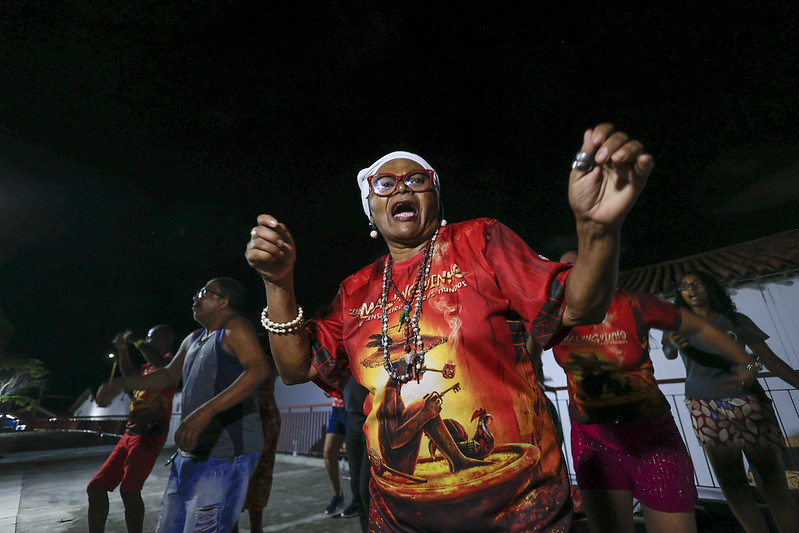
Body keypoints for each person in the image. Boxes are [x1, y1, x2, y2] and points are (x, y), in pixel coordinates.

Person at [246, 123, 654, 531]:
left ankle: (464, 458)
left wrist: (597, 230)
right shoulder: (354, 291)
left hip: (518, 511)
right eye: (385, 184)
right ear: (370, 209)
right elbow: (296, 368)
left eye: (416, 180)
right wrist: (277, 283)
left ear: (436, 197)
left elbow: (579, 306)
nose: (402, 189)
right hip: (399, 518)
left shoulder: (481, 240)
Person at [551, 252, 766, 533]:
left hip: (652, 436)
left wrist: (747, 361)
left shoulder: (632, 304)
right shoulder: (553, 316)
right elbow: (521, 352)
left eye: (581, 266)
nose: (573, 274)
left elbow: (698, 325)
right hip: (593, 440)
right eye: (565, 269)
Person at [97, 277, 269, 533]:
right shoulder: (194, 338)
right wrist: (121, 384)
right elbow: (167, 374)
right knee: (174, 525)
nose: (195, 297)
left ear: (223, 302)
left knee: (204, 526)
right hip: (194, 449)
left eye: (204, 292)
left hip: (228, 449)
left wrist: (205, 413)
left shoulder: (236, 328)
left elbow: (258, 370)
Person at [664, 270, 799, 533]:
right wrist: (671, 341)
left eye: (697, 284)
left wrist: (754, 367)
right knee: (733, 487)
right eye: (684, 286)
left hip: (749, 404)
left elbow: (767, 358)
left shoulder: (736, 320)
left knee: (773, 485)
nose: (690, 289)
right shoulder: (678, 325)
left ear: (710, 288)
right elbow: (668, 351)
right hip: (705, 408)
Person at [89, 325, 176, 533]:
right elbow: (129, 374)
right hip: (130, 433)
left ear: (164, 340)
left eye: (150, 337)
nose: (146, 339)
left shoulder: (170, 364)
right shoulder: (147, 367)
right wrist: (122, 350)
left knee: (129, 490)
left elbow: (159, 363)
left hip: (150, 435)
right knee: (96, 488)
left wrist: (136, 340)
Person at [233, 338, 281, 533]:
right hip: (244, 423)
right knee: (236, 478)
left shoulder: (265, 363)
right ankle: (235, 525)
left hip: (262, 423)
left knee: (257, 475)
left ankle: (255, 527)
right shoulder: (241, 362)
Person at [342, 377, 371, 531]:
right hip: (352, 416)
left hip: (373, 416)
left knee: (366, 488)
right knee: (356, 489)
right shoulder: (342, 355)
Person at [322, 390, 347, 514]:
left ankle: (361, 500)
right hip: (336, 409)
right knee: (328, 453)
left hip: (352, 408)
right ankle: (337, 495)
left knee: (358, 456)